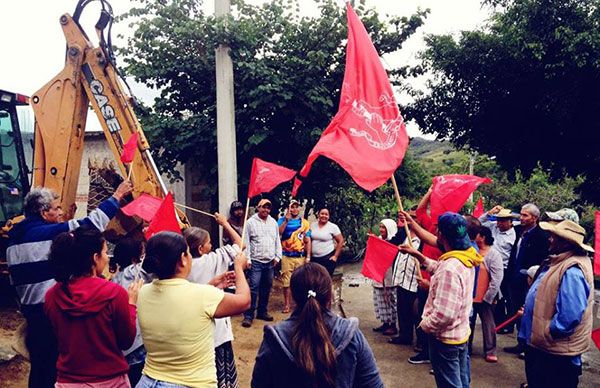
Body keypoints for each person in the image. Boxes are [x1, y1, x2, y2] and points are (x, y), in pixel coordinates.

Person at [6, 181, 132, 388]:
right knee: (55, 368)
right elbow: (88, 226)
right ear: (44, 212)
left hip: (32, 317)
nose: (62, 213)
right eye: (57, 209)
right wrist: (116, 197)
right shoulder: (47, 235)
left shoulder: (13, 243)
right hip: (53, 317)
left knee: (40, 369)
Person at [136, 231, 250, 387]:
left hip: (149, 381)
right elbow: (244, 301)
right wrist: (239, 268)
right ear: (182, 259)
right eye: (188, 253)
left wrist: (210, 286)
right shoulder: (202, 296)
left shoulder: (141, 292)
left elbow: (180, 301)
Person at [251, 263, 384, 388]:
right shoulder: (351, 335)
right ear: (329, 296)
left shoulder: (274, 340)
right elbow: (374, 384)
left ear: (292, 297)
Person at [45, 226, 143, 387]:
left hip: (68, 380)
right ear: (95, 257)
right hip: (110, 380)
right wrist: (131, 304)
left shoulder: (52, 295)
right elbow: (126, 341)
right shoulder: (114, 293)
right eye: (105, 253)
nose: (106, 258)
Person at [400, 212, 484, 388]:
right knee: (462, 381)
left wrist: (425, 325)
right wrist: (420, 257)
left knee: (450, 384)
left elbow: (444, 315)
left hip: (445, 340)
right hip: (460, 335)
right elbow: (441, 268)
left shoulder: (450, 268)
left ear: (441, 235)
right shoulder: (466, 255)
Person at [519, 220, 594, 388]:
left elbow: (570, 316)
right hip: (549, 350)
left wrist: (548, 331)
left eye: (555, 236)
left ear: (566, 242)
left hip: (556, 354)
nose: (550, 239)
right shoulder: (560, 262)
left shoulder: (572, 270)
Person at [184, 212, 245, 388]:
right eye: (209, 242)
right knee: (220, 373)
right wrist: (225, 224)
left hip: (193, 330)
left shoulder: (179, 265)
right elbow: (240, 244)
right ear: (201, 249)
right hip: (216, 328)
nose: (212, 245)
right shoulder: (213, 260)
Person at [504, 203, 549, 353]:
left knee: (528, 312)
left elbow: (542, 260)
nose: (521, 218)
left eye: (525, 215)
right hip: (514, 278)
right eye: (521, 214)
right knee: (516, 310)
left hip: (530, 280)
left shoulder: (542, 236)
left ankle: (528, 345)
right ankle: (520, 342)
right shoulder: (518, 232)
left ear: (535, 218)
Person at [111, 238, 151, 387]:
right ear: (135, 258)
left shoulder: (114, 279)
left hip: (122, 345)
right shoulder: (134, 272)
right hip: (138, 344)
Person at [242, 198, 281, 327]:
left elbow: (277, 241)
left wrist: (277, 257)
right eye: (263, 207)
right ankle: (248, 315)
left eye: (268, 207)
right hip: (255, 261)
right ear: (258, 207)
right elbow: (246, 242)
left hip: (270, 262)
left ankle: (262, 312)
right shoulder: (250, 223)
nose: (266, 210)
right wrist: (247, 259)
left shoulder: (273, 222)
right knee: (253, 288)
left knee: (266, 287)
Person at [468, 226, 504, 362]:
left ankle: (490, 350)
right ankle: (467, 347)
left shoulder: (494, 254)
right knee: (468, 322)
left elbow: (497, 279)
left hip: (486, 298)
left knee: (488, 324)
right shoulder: (472, 251)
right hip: (471, 295)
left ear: (482, 237)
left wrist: (488, 297)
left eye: (476, 235)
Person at [478, 206, 517, 331]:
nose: (500, 223)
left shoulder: (514, 235)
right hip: (488, 267)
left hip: (504, 269)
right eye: (499, 220)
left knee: (507, 297)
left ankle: (509, 325)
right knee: (493, 297)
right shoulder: (493, 227)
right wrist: (490, 213)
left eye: (503, 220)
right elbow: (478, 222)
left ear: (510, 222)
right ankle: (498, 322)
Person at [388, 224, 421, 345]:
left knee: (416, 313)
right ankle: (404, 336)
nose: (410, 220)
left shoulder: (424, 238)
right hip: (401, 280)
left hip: (414, 282)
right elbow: (390, 243)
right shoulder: (403, 233)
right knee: (402, 310)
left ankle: (420, 342)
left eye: (414, 217)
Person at [278, 199, 312, 313]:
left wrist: (308, 256)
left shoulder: (305, 223)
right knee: (286, 282)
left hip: (300, 256)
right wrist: (286, 221)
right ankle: (287, 305)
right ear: (288, 208)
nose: (295, 209)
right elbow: (278, 233)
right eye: (292, 207)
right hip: (286, 256)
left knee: (300, 282)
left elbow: (307, 240)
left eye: (297, 207)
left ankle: (299, 304)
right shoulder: (281, 220)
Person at [371, 219, 402, 337]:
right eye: (380, 227)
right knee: (380, 300)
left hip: (389, 276)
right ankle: (385, 322)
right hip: (379, 275)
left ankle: (392, 325)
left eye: (383, 227)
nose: (381, 230)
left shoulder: (393, 243)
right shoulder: (379, 239)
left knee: (390, 301)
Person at [309, 207, 344, 276]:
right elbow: (308, 240)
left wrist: (335, 256)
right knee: (314, 280)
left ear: (329, 216)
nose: (324, 216)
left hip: (327, 258)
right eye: (322, 214)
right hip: (314, 259)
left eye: (326, 214)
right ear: (318, 215)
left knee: (326, 281)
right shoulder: (312, 225)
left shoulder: (333, 227)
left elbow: (341, 241)